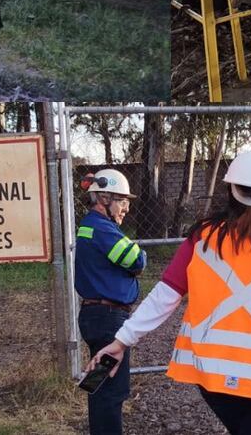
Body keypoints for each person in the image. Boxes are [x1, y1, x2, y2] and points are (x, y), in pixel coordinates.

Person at [87, 150, 251, 435]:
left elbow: (163, 297)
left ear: (231, 189)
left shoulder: (202, 239)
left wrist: (121, 341)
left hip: (217, 378)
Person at [74, 168, 147, 435]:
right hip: (108, 321)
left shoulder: (89, 227)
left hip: (97, 317)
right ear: (104, 198)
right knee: (112, 391)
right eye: (122, 201)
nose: (126, 208)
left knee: (99, 384)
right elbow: (136, 261)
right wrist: (137, 254)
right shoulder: (102, 229)